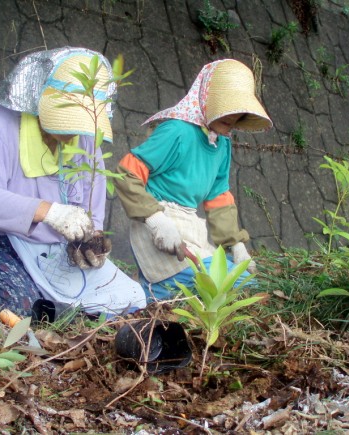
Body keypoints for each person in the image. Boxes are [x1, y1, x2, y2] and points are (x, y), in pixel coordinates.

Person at [0, 47, 147, 318]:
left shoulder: (85, 138)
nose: (74, 134)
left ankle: (62, 314)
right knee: (20, 307)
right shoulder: (1, 124)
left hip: (54, 254)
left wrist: (89, 242)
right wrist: (49, 212)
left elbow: (92, 208)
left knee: (132, 298)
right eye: (68, 123)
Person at [113, 59, 273, 301]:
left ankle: (153, 295)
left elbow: (218, 196)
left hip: (190, 226)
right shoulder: (177, 131)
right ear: (207, 97)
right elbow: (127, 172)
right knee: (233, 286)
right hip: (158, 223)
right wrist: (155, 219)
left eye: (239, 109)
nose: (233, 115)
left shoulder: (222, 143)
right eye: (228, 105)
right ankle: (150, 295)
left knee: (244, 284)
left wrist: (236, 245)